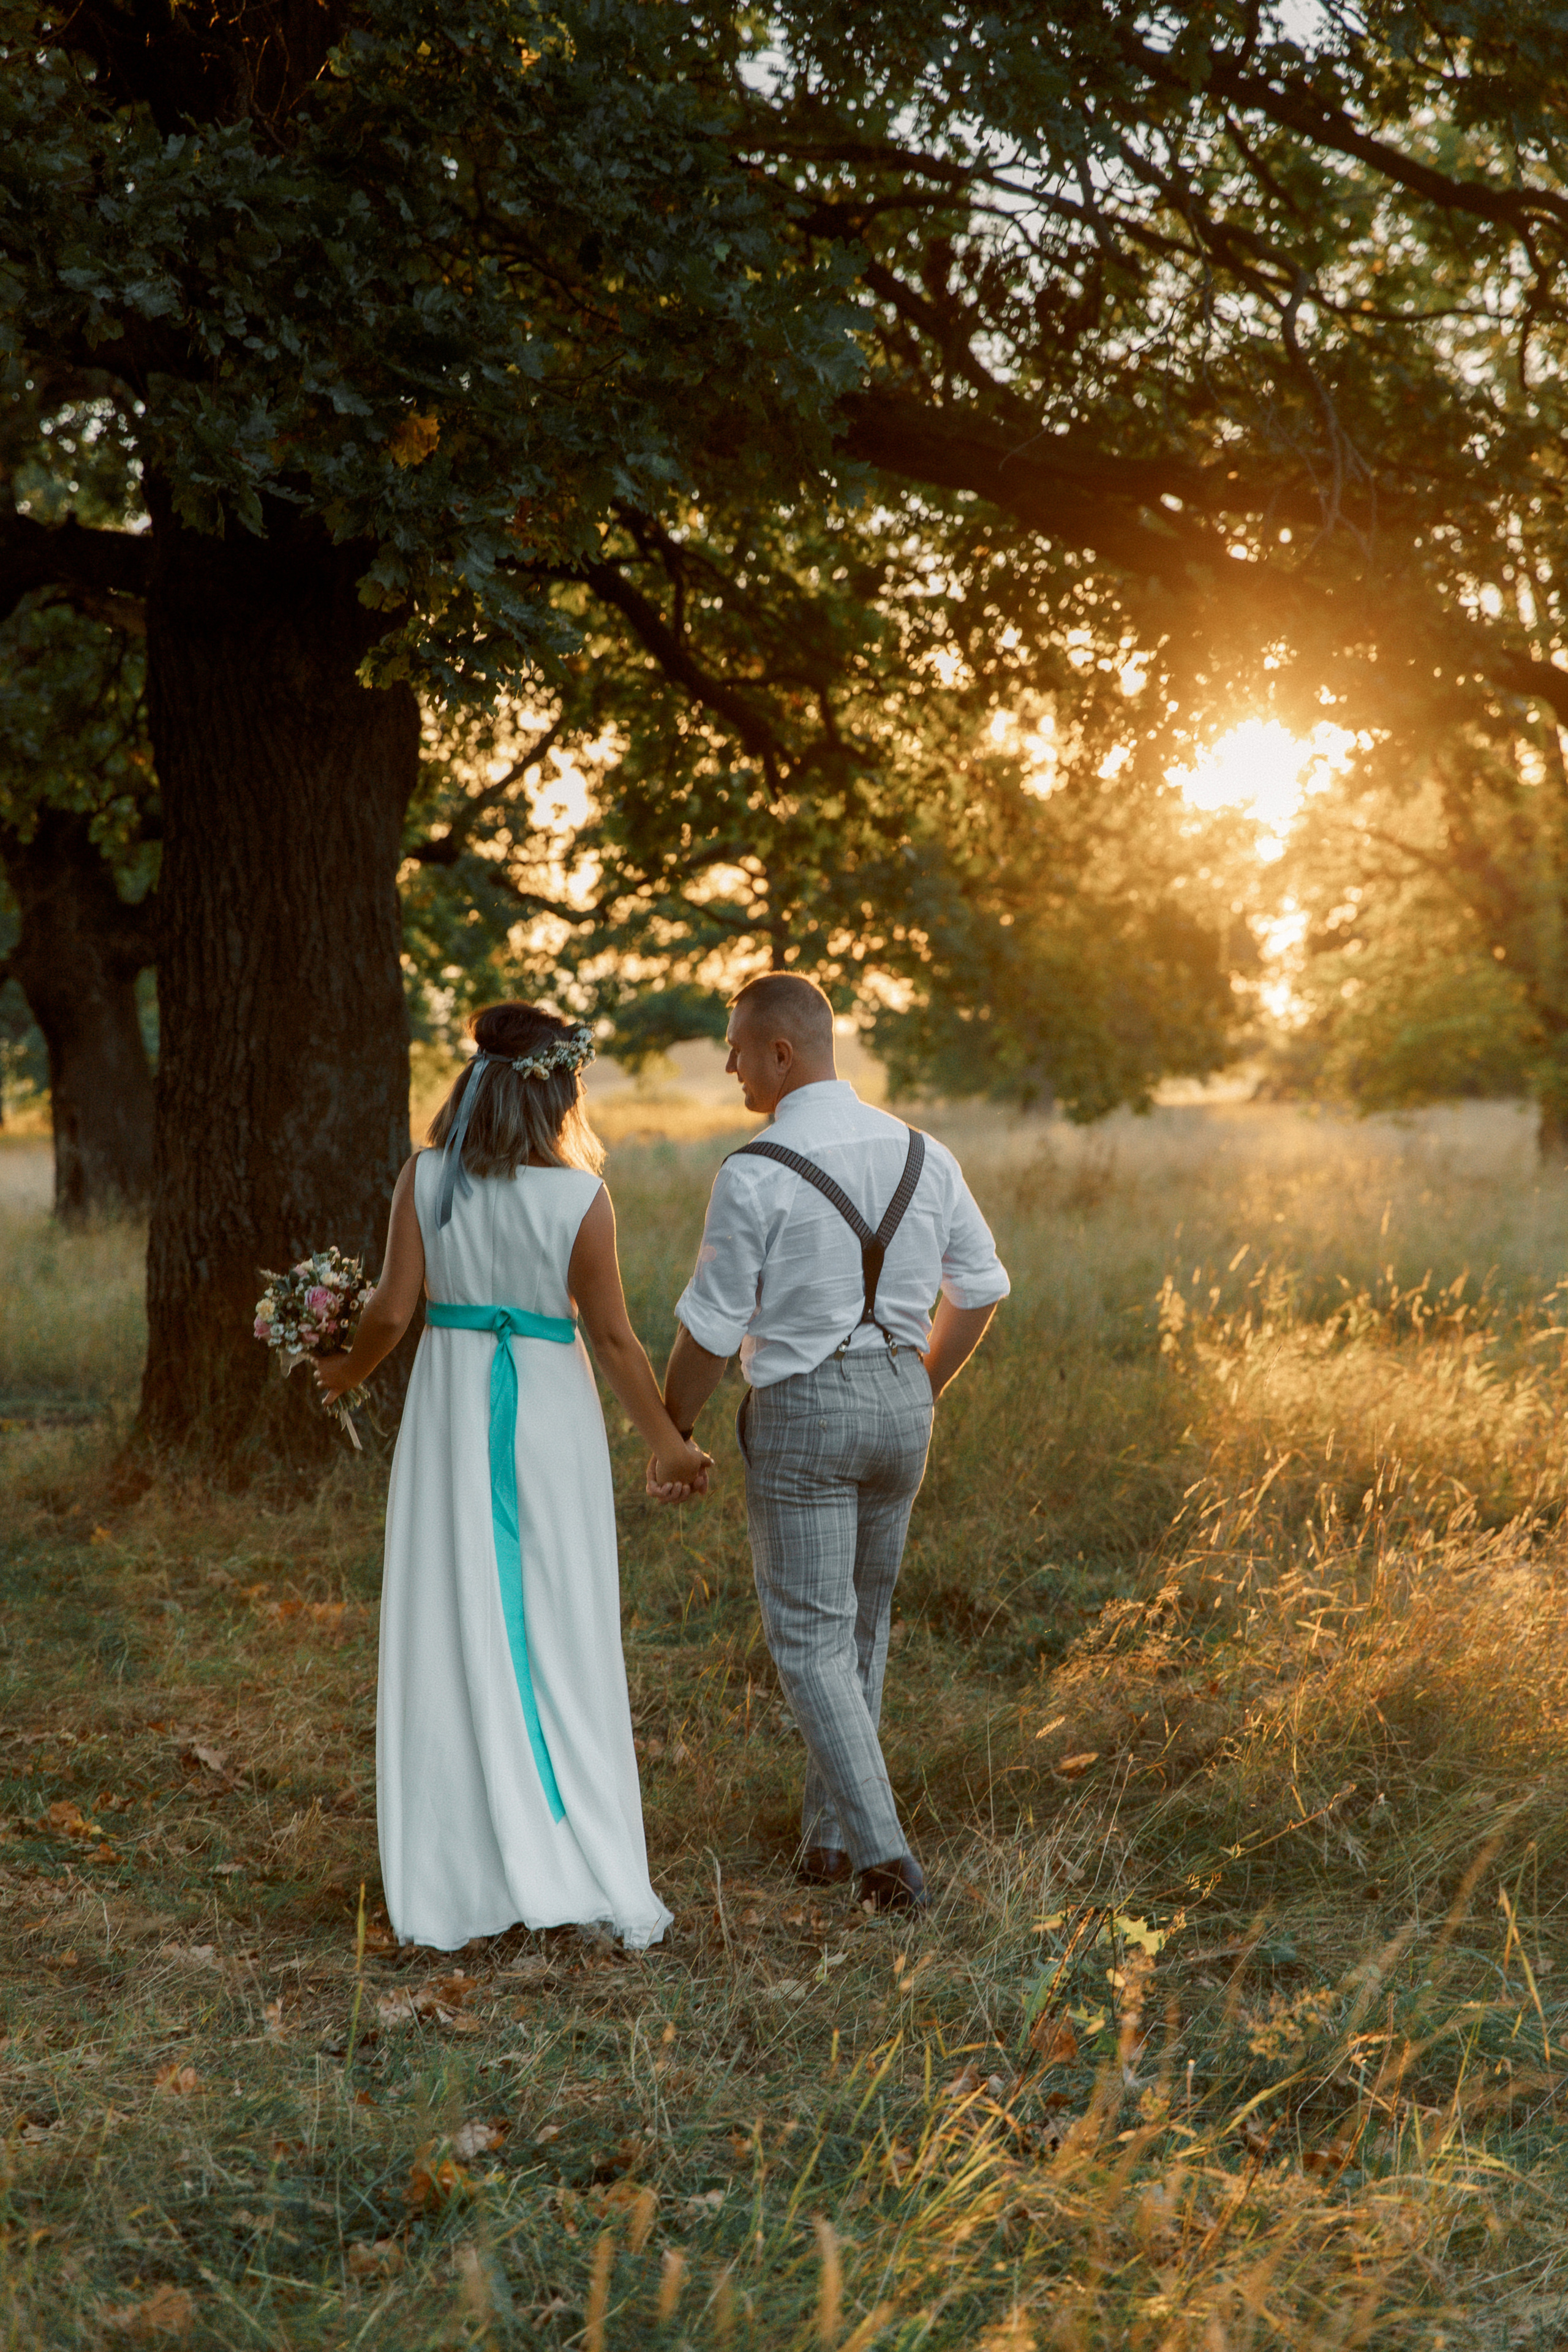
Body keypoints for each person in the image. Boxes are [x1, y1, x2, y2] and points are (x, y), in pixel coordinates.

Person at [315, 1001, 710, 1953]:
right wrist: (669, 1444)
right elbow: (613, 1339)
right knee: (558, 1614)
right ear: (560, 1098)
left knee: (454, 1606)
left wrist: (344, 1373)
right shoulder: (581, 1200)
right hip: (548, 1416)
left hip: (453, 1412)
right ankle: (564, 1838)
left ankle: (462, 1862)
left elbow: (390, 1310)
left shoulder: (425, 1177)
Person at [653, 973, 1008, 1915]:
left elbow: (713, 1331)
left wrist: (670, 1427)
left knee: (811, 1642)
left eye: (736, 1047)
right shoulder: (925, 1153)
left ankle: (887, 1859)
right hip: (901, 1398)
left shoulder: (756, 1170)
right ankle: (828, 1840)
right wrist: (916, 1388)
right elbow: (979, 1289)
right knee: (862, 1625)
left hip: (806, 1409)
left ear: (783, 1052)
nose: (727, 1065)